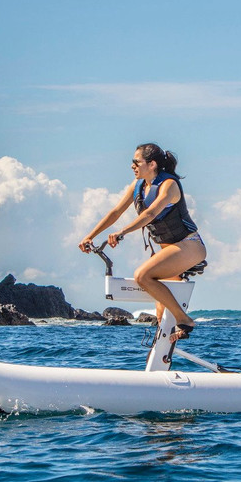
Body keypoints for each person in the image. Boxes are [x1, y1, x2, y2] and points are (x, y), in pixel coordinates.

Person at [78, 143, 206, 341]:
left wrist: (123, 232)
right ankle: (163, 357)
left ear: (152, 164)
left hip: (189, 246)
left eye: (136, 162)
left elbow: (152, 213)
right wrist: (90, 236)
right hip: (167, 251)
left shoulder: (168, 185)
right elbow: (115, 212)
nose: (132, 166)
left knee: (142, 275)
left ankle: (185, 320)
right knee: (162, 316)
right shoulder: (138, 186)